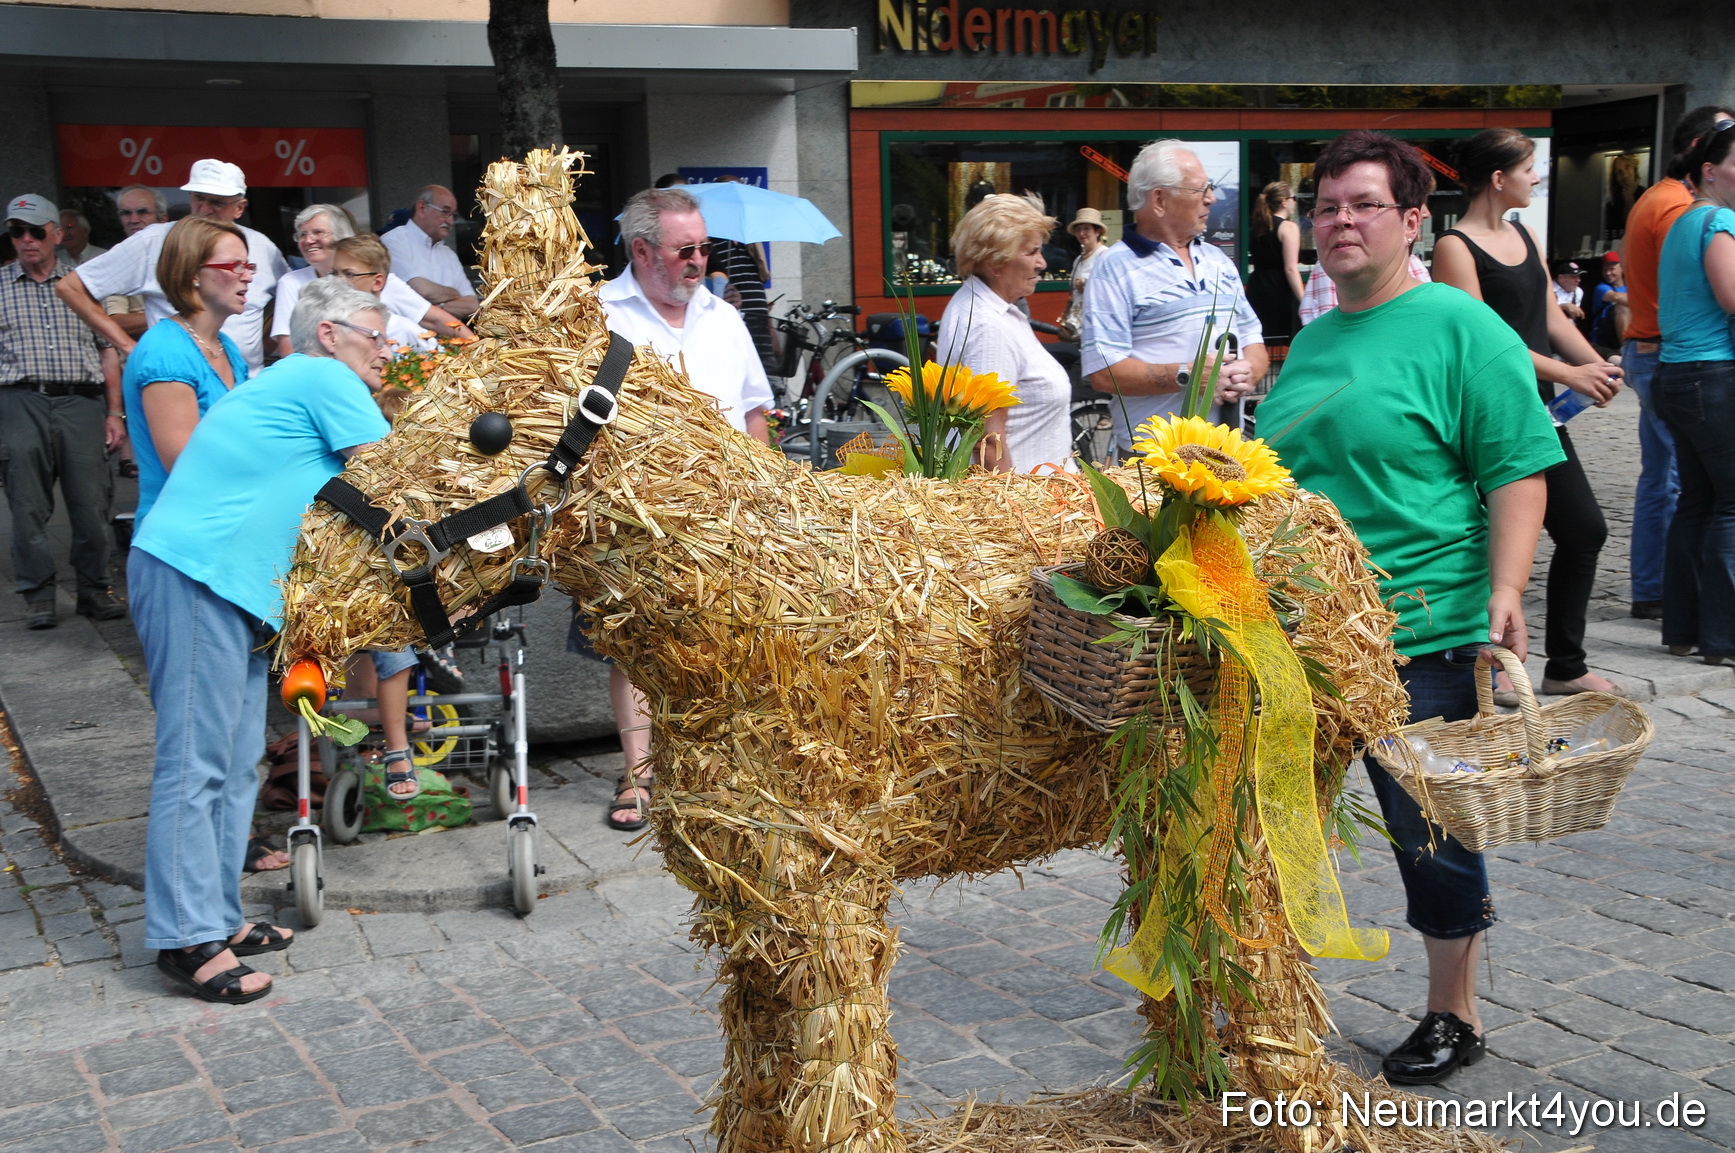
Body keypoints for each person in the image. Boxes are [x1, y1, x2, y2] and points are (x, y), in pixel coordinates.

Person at [1258, 130, 1562, 1087]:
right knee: (1280, 824)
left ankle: (1452, 1011)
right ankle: (1274, 1000)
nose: (1339, 222)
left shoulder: (1460, 329)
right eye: (1325, 207)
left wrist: (1506, 592)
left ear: (1410, 221)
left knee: (1429, 832)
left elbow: (1518, 470)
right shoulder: (1311, 338)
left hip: (1421, 631)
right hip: (1298, 635)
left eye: (1362, 205)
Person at [129, 276, 390, 1003]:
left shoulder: (295, 382)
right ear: (332, 333)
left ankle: (214, 916)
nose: (387, 349)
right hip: (197, 571)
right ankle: (185, 939)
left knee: (238, 762)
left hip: (234, 586)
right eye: (376, 333)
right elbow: (395, 476)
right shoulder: (318, 372)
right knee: (195, 761)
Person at [587, 185, 774, 831]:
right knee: (634, 648)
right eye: (684, 249)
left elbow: (754, 410)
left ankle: (715, 771)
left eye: (704, 248)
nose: (699, 260)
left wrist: (764, 495)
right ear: (642, 250)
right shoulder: (600, 314)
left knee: (723, 640)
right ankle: (637, 776)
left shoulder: (721, 315)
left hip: (725, 513)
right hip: (636, 513)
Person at [1431, 128, 1625, 701]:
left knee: (1584, 530)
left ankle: (1565, 662)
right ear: (1498, 178)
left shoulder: (1523, 233)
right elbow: (1487, 342)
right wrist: (1569, 374)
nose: (1536, 177)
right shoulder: (1454, 248)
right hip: (1486, 416)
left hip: (1538, 413)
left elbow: (1551, 317)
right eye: (1528, 168)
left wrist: (1597, 366)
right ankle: (1486, 663)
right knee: (1487, 539)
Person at [1621, 106, 1735, 622]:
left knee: (1685, 492)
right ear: (1705, 163)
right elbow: (1725, 293)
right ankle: (1714, 627)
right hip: (1698, 366)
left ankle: (1674, 615)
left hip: (1670, 364)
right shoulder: (1704, 216)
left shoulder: (1674, 208)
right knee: (1716, 500)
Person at [1080, 139, 1265, 455]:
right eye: (1200, 190)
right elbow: (1102, 372)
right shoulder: (1113, 268)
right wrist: (1188, 376)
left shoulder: (1218, 261)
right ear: (1159, 200)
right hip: (1153, 457)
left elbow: (1253, 339)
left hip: (1224, 452)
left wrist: (1249, 372)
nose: (1212, 199)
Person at [0, 193, 125, 629]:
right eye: (18, 231)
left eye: (36, 231)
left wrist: (115, 413)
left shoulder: (86, 283)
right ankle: (38, 594)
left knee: (91, 502)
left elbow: (108, 351)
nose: (27, 240)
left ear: (57, 234)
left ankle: (94, 587)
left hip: (82, 400)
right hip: (20, 399)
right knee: (26, 503)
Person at [55, 160, 288, 377]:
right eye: (198, 198)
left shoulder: (261, 246)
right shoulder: (154, 240)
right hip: (175, 381)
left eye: (216, 201)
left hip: (245, 388)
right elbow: (71, 287)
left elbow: (291, 299)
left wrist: (269, 340)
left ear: (239, 208)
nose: (205, 209)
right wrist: (132, 349)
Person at [1656, 119, 1735, 665]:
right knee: (1730, 506)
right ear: (1710, 170)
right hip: (1711, 375)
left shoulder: (1685, 219)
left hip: (1677, 376)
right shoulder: (1719, 220)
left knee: (1698, 502)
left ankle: (1682, 629)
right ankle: (1724, 639)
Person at [119, 217, 252, 528]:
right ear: (193, 273)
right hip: (177, 537)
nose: (247, 277)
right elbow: (184, 464)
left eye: (249, 266)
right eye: (235, 266)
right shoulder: (167, 351)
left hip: (219, 526)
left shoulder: (227, 347)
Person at [934, 192, 1073, 473]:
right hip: (1031, 507)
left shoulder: (988, 308)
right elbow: (986, 444)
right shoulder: (988, 325)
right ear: (996, 262)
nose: (1042, 263)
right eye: (1031, 252)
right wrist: (1014, 512)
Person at [271, 205, 471, 359]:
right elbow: (288, 348)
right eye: (302, 234)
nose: (307, 240)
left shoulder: (382, 281)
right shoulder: (291, 282)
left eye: (317, 232)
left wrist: (481, 351)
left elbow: (434, 319)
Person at [380, 185, 480, 322]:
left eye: (453, 215)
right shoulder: (393, 242)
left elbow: (472, 305)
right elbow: (422, 290)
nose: (450, 221)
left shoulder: (448, 254)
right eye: (445, 212)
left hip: (449, 339)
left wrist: (438, 307)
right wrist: (454, 294)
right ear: (422, 208)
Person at [1245, 181, 1303, 341]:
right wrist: (1304, 300)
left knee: (1261, 340)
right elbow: (1291, 268)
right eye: (1294, 198)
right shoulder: (1288, 227)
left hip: (1257, 287)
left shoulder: (1258, 226)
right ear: (1284, 202)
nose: (1294, 202)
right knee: (1286, 340)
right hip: (1280, 290)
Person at [1058, 207, 1106, 342]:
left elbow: (1110, 289)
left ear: (1097, 231)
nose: (1081, 233)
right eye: (1078, 229)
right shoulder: (1078, 260)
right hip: (1076, 324)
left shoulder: (1105, 255)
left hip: (1095, 325)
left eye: (1086, 229)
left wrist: (1086, 284)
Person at [1590, 251, 1629, 350]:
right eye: (1605, 270)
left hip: (1630, 331)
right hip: (1604, 337)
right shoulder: (1601, 288)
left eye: (1611, 269)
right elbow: (1616, 297)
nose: (1608, 273)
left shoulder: (1630, 287)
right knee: (1622, 307)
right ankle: (1625, 349)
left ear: (1622, 268)